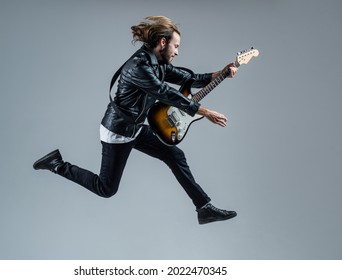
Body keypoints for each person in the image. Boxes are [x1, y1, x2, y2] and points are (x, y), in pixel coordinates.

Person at [33, 16, 238, 225]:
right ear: (163, 43)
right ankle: (57, 164)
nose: (177, 52)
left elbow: (188, 78)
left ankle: (203, 208)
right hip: (118, 132)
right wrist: (205, 112)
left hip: (136, 128)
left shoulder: (156, 63)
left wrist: (221, 73)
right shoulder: (139, 66)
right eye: (176, 46)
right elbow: (165, 92)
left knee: (175, 155)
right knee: (106, 189)